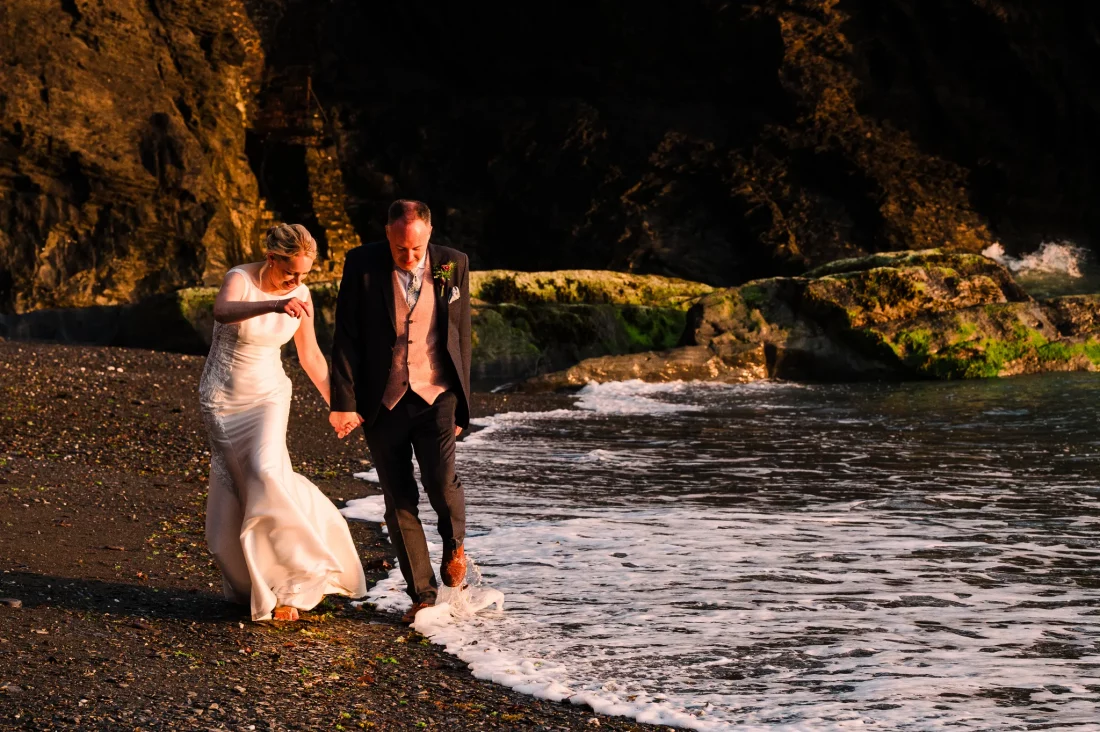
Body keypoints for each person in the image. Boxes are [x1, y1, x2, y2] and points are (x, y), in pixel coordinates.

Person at [199, 223, 367, 622]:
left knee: (267, 471)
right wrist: (273, 305)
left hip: (270, 395)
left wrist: (338, 405)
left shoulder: (301, 293)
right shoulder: (238, 279)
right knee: (246, 484)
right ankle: (252, 580)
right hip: (223, 400)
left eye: (304, 274)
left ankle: (295, 584)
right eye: (291, 272)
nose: (297, 281)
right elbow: (222, 312)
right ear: (271, 258)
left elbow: (309, 356)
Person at [329, 199, 472, 624]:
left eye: (415, 249)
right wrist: (344, 403)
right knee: (398, 499)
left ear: (429, 234)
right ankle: (423, 596)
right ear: (387, 235)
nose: (408, 258)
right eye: (399, 249)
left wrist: (465, 404)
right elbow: (346, 335)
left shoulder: (453, 264)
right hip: (383, 399)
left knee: (440, 481)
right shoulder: (361, 264)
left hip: (437, 393)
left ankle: (454, 544)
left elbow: (460, 334)